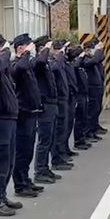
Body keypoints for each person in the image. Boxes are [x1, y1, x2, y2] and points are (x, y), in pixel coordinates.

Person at [0, 34, 22, 216]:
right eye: (0, 48)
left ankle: (2, 195)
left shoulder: (2, 67)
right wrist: (6, 53)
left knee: (8, 161)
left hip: (9, 118)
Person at [10, 34, 44, 197]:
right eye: (28, 47)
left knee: (28, 150)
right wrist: (25, 54)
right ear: (20, 48)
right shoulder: (16, 64)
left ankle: (25, 179)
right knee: (21, 152)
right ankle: (20, 184)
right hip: (22, 114)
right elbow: (21, 67)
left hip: (31, 112)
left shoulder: (26, 63)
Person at [32, 36, 60, 184]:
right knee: (43, 140)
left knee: (50, 138)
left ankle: (45, 167)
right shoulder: (38, 62)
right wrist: (46, 48)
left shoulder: (47, 63)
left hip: (52, 104)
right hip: (44, 105)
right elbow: (41, 61)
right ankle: (39, 170)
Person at [50, 40, 74, 171]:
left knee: (63, 129)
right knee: (58, 131)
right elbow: (56, 68)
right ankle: (56, 159)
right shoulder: (52, 62)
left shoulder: (62, 62)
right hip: (58, 100)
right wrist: (59, 54)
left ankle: (61, 155)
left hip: (64, 98)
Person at [84, 39, 106, 142]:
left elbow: (100, 58)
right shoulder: (86, 59)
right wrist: (97, 50)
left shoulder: (94, 58)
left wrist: (100, 50)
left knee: (97, 108)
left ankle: (94, 128)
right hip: (91, 88)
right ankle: (89, 131)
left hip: (97, 86)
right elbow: (95, 60)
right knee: (91, 111)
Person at [71, 45, 92, 151]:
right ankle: (78, 141)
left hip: (84, 93)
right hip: (78, 94)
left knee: (83, 117)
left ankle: (82, 138)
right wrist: (80, 57)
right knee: (79, 118)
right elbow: (75, 65)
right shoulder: (75, 65)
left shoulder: (81, 66)